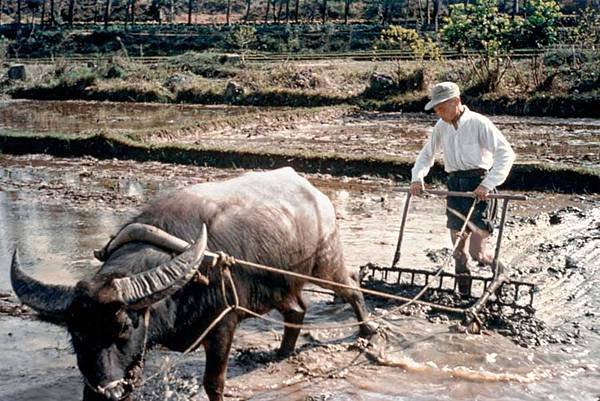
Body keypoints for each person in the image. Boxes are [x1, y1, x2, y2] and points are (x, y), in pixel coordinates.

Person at [409, 81, 516, 296]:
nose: (438, 112)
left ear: (456, 102)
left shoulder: (478, 123)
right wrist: (417, 177)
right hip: (455, 188)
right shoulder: (441, 127)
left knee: (478, 253)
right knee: (458, 252)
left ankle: (500, 272)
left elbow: (506, 154)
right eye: (436, 108)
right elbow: (427, 154)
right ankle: (464, 298)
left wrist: (487, 184)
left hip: (479, 188)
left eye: (441, 107)